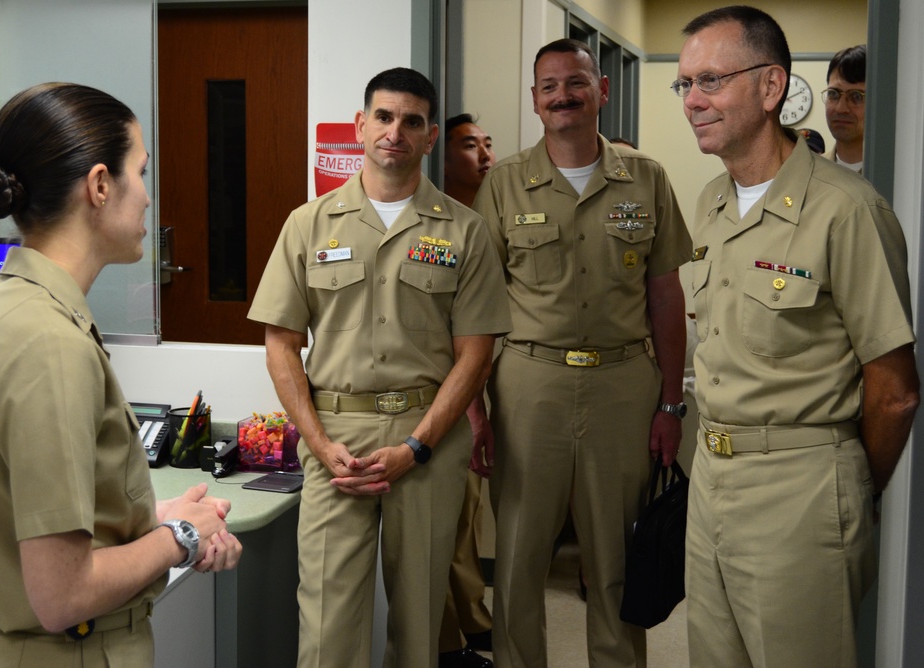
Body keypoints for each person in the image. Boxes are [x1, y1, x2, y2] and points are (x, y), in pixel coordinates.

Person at [0, 82, 243, 666]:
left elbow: (27, 521)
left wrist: (153, 519)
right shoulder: (47, 345)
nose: (149, 198)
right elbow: (62, 594)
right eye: (141, 172)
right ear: (100, 186)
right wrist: (179, 540)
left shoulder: (3, 310)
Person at [675, 7, 919, 665]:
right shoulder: (710, 204)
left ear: (770, 86)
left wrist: (844, 491)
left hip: (801, 490)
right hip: (711, 477)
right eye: (684, 85)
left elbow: (895, 392)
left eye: (710, 82)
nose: (693, 101)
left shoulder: (848, 210)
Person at [248, 68, 512, 668]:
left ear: (430, 137)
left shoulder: (464, 232)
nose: (396, 132)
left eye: (412, 122)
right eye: (385, 118)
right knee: (325, 618)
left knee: (420, 619)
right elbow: (282, 344)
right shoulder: (307, 224)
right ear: (361, 127)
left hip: (427, 442)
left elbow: (475, 354)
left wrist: (416, 448)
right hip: (333, 442)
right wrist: (317, 443)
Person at [473, 38, 692, 667]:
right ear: (535, 102)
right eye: (549, 86)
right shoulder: (505, 184)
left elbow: (665, 297)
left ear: (601, 89)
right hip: (527, 384)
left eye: (575, 82)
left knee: (617, 559)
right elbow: (477, 309)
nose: (563, 95)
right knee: (517, 559)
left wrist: (671, 406)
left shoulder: (646, 178)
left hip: (623, 386)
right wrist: (476, 408)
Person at [438, 112, 496, 668]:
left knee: (470, 511)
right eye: (468, 145)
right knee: (454, 513)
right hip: (450, 391)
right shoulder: (439, 225)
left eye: (487, 144)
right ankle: (457, 633)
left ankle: (472, 616)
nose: (484, 155)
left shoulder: (488, 215)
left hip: (496, 377)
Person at [823, 44, 867, 172]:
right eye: (833, 94)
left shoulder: (899, 177)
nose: (841, 108)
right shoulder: (808, 174)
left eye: (856, 96)